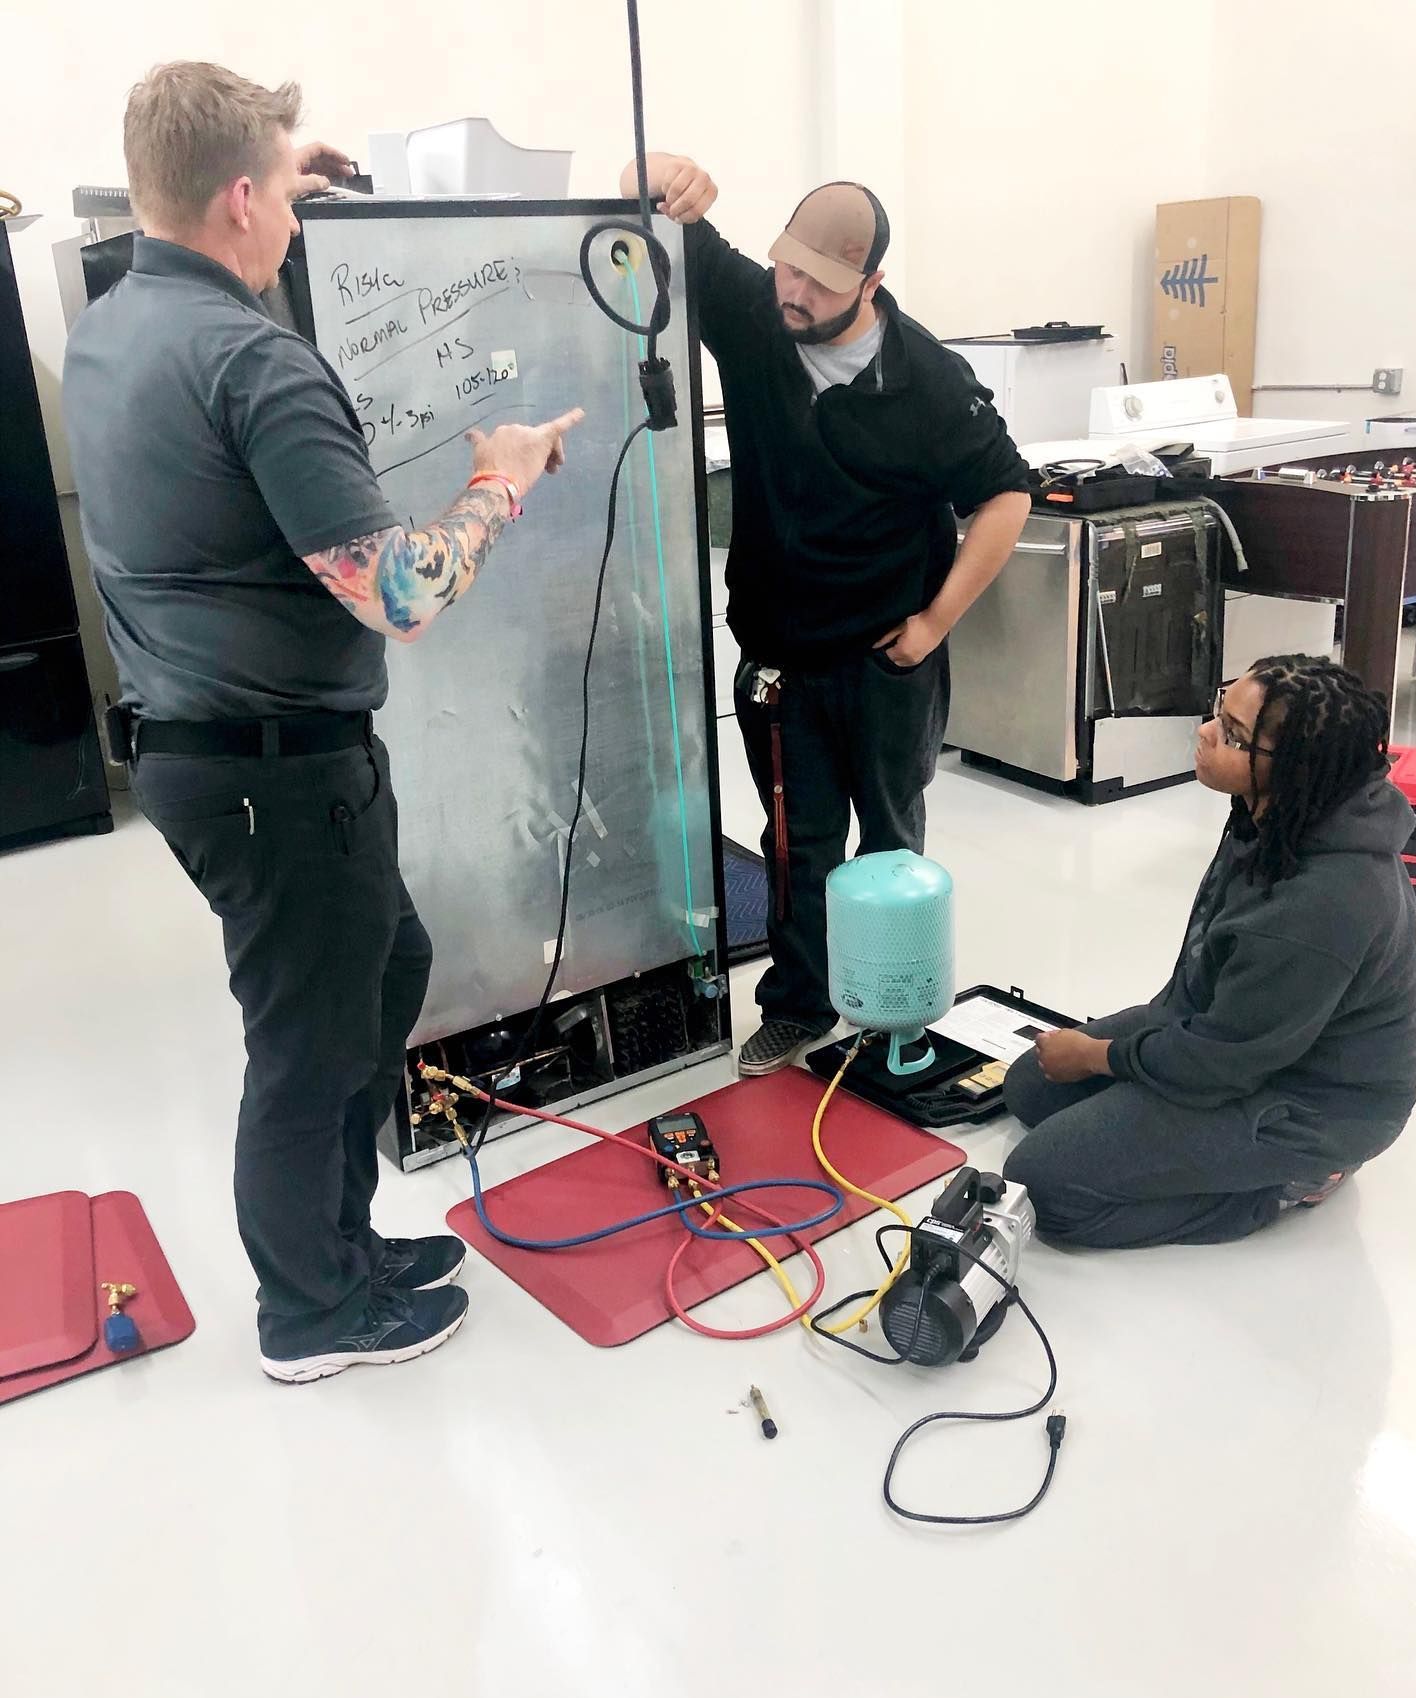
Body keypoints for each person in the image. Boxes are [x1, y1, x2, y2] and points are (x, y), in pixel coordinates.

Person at [63, 63, 582, 1381]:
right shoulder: (253, 362)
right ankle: (313, 1311)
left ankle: (340, 1246)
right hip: (274, 776)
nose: (300, 218)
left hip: (213, 757)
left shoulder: (120, 326)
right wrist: (498, 481)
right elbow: (399, 591)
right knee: (304, 1042)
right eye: (285, 191)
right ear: (240, 198)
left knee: (383, 973)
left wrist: (293, 167)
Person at [619, 154, 1031, 1076]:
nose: (792, 291)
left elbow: (1006, 496)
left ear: (872, 282)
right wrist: (665, 173)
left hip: (889, 657)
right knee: (795, 844)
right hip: (780, 659)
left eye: (817, 280)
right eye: (786, 267)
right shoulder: (756, 315)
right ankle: (800, 1006)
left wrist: (934, 624)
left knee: (889, 845)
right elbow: (652, 197)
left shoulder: (928, 379)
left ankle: (894, 1012)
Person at [1003, 656, 1416, 1248]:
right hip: (1233, 1036)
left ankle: (1284, 1185)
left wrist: (1101, 1058)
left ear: (1295, 769)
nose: (1205, 733)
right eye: (1219, 713)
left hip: (1312, 1102)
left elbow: (1220, 1066)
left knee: (1044, 1189)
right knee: (1030, 1087)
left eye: (1232, 735)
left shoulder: (1322, 904)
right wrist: (1123, 1058)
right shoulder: (1279, 815)